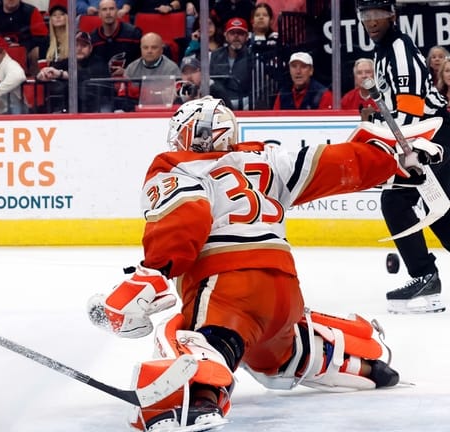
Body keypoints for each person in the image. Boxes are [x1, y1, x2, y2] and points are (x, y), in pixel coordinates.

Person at [87, 96, 448, 430]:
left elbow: (185, 220)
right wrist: (393, 161)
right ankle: (363, 366)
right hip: (283, 290)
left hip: (228, 282)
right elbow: (329, 163)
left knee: (200, 335)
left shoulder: (177, 168)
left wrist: (155, 271)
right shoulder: (265, 159)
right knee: (276, 356)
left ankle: (200, 399)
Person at [356, 0, 450, 313]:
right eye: (366, 16)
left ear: (392, 16)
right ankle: (426, 278)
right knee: (438, 206)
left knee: (397, 201)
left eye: (378, 15)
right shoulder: (383, 51)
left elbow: (410, 108)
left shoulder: (398, 48)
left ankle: (425, 278)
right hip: (426, 135)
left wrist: (405, 150)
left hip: (432, 136)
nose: (371, 22)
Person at [0, 0, 48, 76]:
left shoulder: (31, 11)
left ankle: (34, 82)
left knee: (35, 52)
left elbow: (42, 36)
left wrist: (21, 45)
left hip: (26, 47)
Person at [90, 0, 142, 78]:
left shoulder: (133, 34)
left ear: (117, 12)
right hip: (102, 83)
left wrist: (127, 72)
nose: (108, 13)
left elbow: (143, 62)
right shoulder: (93, 38)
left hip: (129, 81)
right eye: (104, 9)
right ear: (99, 14)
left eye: (111, 9)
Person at [209, 16, 252, 110]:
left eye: (240, 33)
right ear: (226, 35)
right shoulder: (214, 56)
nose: (236, 36)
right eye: (232, 33)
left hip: (245, 104)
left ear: (247, 36)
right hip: (218, 104)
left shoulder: (252, 57)